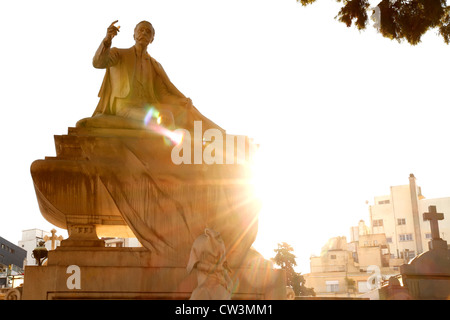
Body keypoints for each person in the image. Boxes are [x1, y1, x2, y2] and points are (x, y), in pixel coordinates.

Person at [77, 20, 223, 132]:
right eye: (141, 30)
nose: (144, 33)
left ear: (152, 38)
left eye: (148, 32)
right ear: (134, 35)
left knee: (185, 110)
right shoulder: (119, 54)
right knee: (165, 118)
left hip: (148, 107)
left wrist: (180, 101)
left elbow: (163, 93)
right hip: (125, 107)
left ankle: (219, 136)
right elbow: (98, 62)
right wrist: (107, 40)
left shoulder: (154, 65)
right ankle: (169, 156)